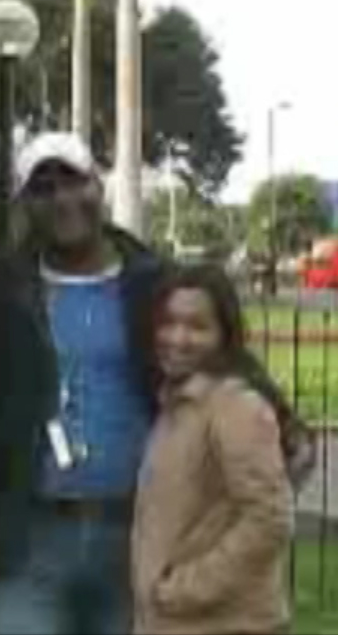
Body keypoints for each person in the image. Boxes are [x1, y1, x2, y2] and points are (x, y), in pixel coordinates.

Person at [0, 132, 166, 634]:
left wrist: (280, 416)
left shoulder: (151, 282)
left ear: (98, 185)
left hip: (132, 535)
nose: (62, 199)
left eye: (73, 181)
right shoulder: (4, 288)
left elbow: (216, 352)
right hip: (31, 538)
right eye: (43, 189)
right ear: (25, 205)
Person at [131, 265, 294, 635]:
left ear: (224, 334)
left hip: (225, 622)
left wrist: (184, 589)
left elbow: (269, 518)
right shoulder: (179, 404)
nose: (178, 338)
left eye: (197, 326)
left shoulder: (234, 406)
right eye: (168, 322)